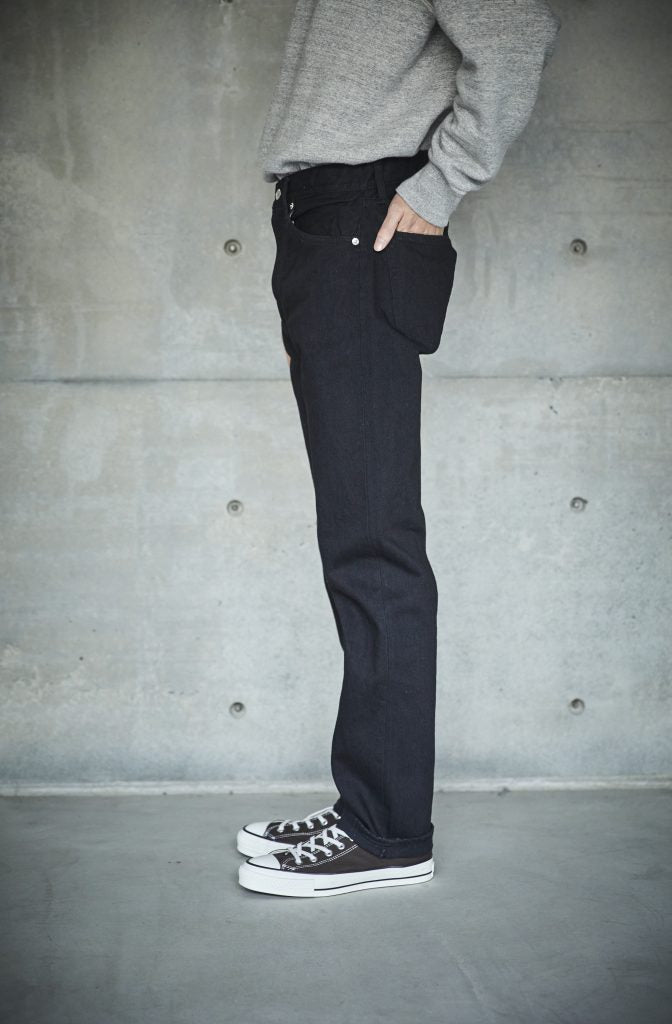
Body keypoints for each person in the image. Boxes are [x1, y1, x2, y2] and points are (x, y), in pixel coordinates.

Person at [237, 0, 561, 898]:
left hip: (360, 216)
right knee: (357, 534)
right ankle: (367, 806)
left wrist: (437, 186)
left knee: (374, 541)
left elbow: (516, 33)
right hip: (319, 224)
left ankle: (387, 833)